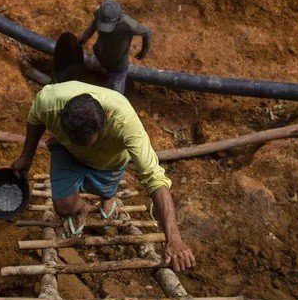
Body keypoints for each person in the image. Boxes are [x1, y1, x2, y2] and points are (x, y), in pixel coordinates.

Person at [11, 80, 196, 272]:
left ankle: (108, 196)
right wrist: (26, 156)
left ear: (105, 121)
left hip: (108, 162)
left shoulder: (126, 123)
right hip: (67, 153)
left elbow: (155, 179)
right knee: (63, 206)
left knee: (106, 192)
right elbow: (34, 118)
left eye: (87, 142)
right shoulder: (49, 102)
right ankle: (83, 207)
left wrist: (174, 239)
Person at [79, 0, 150, 94]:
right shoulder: (100, 15)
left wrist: (144, 50)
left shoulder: (128, 24)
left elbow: (147, 32)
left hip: (117, 64)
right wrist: (82, 39)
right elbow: (92, 26)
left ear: (118, 18)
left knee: (115, 94)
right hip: (100, 55)